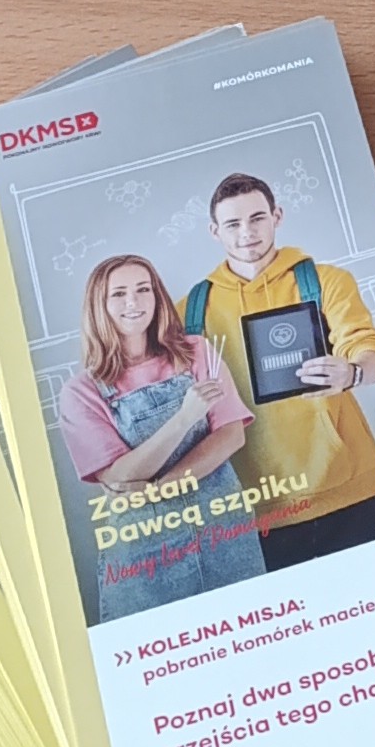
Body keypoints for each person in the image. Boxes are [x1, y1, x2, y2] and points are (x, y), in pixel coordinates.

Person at [183, 172, 375, 572]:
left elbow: (367, 349)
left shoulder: (326, 281)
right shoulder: (190, 311)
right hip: (257, 505)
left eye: (257, 218)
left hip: (347, 488)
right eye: (233, 223)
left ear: (277, 216)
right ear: (214, 231)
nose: (247, 232)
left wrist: (352, 372)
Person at [55, 254, 264, 620]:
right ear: (99, 306)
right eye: (118, 294)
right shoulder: (80, 393)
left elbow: (231, 435)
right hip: (144, 554)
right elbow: (119, 476)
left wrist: (159, 489)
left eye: (143, 289)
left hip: (222, 533)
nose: (133, 302)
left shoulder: (198, 352)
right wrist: (184, 418)